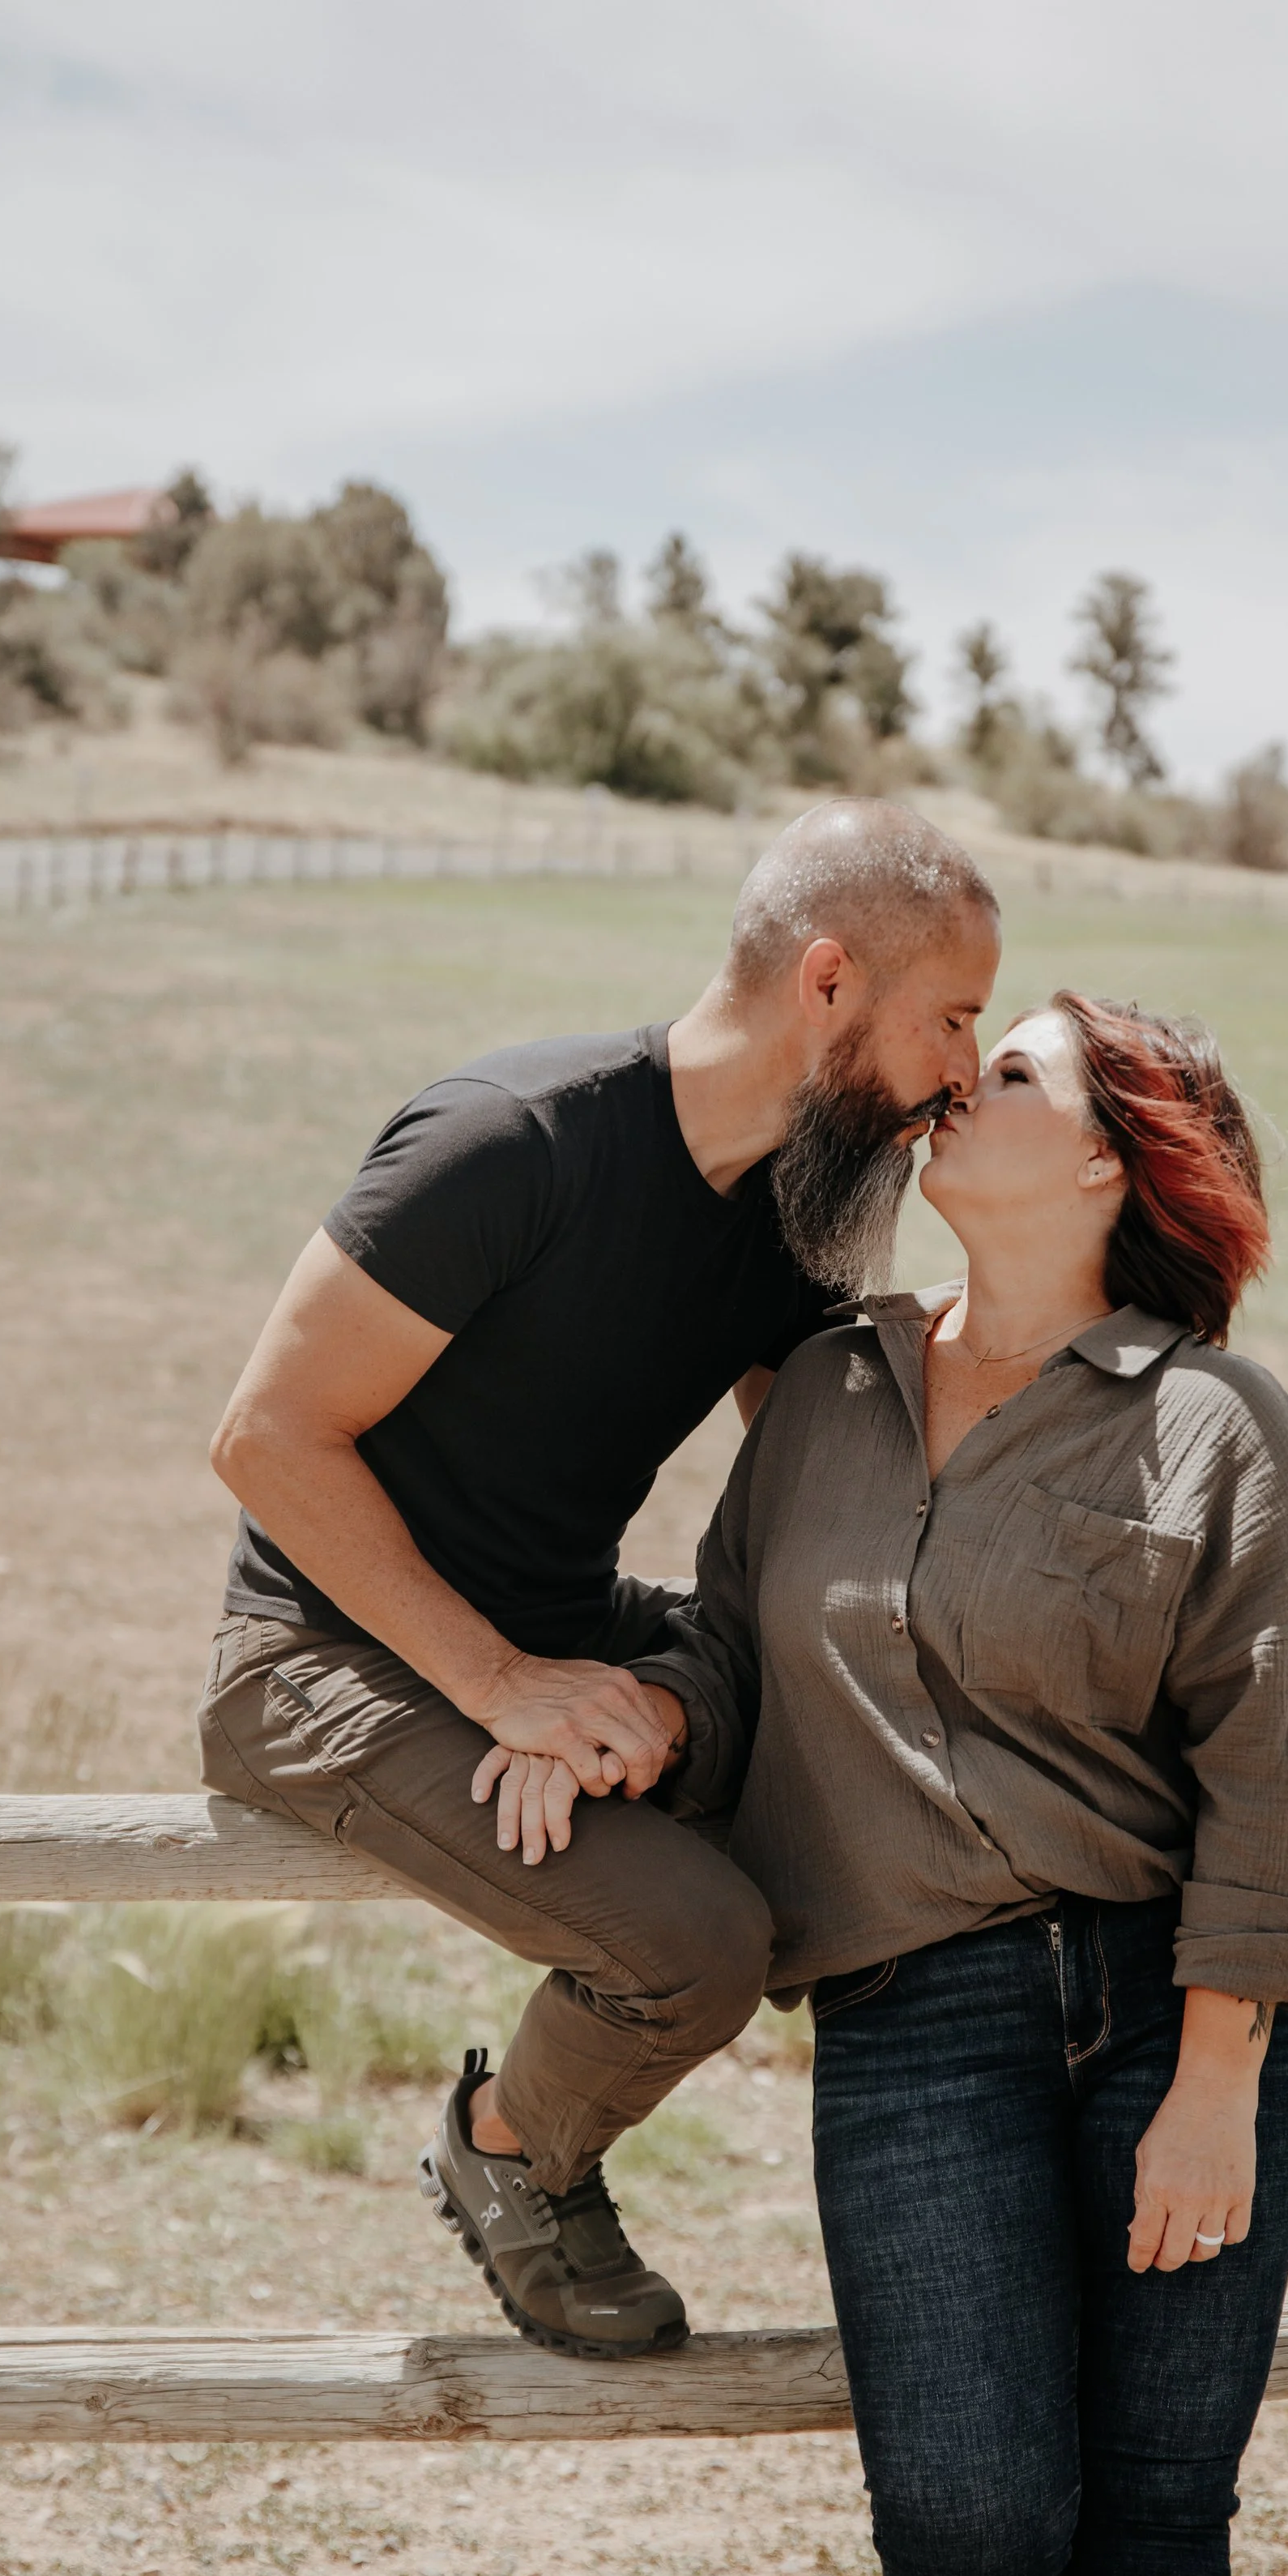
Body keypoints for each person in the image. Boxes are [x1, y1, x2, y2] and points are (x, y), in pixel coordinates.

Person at [595, 990, 1288, 2576]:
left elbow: (1277, 1766)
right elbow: (730, 1641)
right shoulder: (827, 1387)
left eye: (1005, 1072)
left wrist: (1208, 2087)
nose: (956, 1086)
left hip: (1183, 2021)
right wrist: (613, 1712)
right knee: (964, 2512)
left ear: (1111, 1160)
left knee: (1156, 2507)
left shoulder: (1211, 1426)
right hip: (915, 2011)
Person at [198, 799, 1001, 2359]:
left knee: (820, 1720)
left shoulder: (794, 1212)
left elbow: (828, 1471)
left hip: (557, 1620)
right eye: (954, 1019)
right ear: (827, 982)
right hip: (317, 1652)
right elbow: (265, 1440)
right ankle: (509, 2149)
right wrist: (505, 1686)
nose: (965, 1069)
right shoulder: (513, 1141)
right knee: (700, 1941)